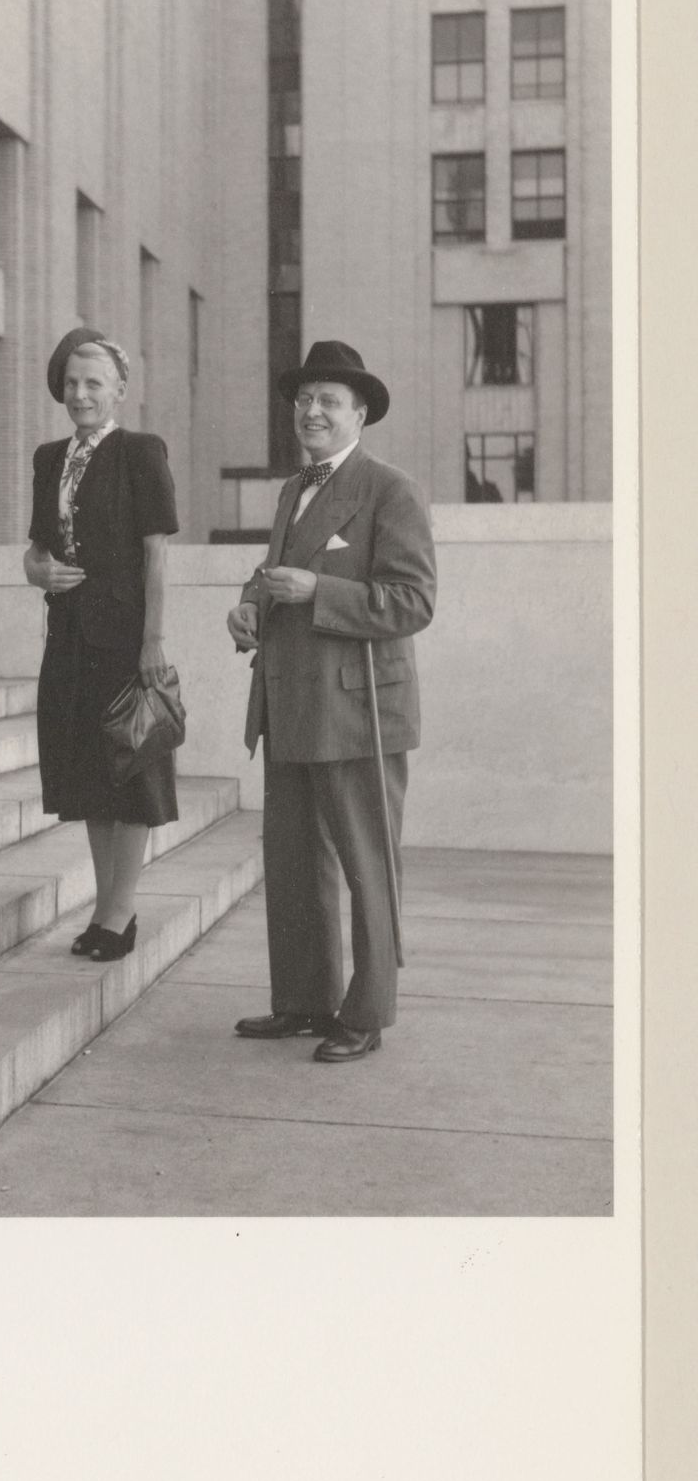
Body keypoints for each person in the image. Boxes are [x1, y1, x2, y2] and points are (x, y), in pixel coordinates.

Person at [226, 340, 436, 1063]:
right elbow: (276, 574)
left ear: (360, 414)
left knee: (365, 863)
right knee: (291, 861)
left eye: (329, 401)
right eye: (303, 399)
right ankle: (305, 1001)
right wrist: (249, 605)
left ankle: (368, 1011)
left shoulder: (389, 490)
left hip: (357, 713)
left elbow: (413, 601)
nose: (311, 411)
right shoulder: (295, 489)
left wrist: (320, 592)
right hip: (289, 705)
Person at [24, 327, 180, 962]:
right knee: (88, 776)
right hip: (67, 636)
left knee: (129, 771)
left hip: (124, 638)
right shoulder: (47, 458)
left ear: (120, 390)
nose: (81, 395)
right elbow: (38, 545)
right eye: (72, 384)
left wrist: (153, 642)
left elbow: (157, 554)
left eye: (94, 384)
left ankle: (122, 911)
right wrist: (34, 567)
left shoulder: (140, 452)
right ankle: (103, 906)